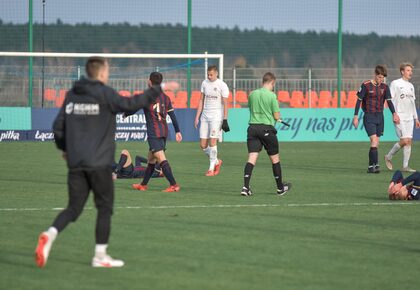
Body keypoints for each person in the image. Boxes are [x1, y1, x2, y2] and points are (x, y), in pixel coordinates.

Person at [35, 56, 159, 268]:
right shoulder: (105, 93)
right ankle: (100, 256)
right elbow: (130, 104)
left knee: (73, 208)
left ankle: (50, 234)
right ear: (101, 73)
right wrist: (155, 90)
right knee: (104, 208)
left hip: (76, 164)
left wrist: (65, 149)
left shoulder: (72, 95)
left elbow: (57, 128)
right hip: (100, 164)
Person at [240, 72, 291, 196]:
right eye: (274, 85)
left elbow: (252, 110)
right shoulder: (272, 96)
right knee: (275, 159)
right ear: (272, 82)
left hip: (252, 128)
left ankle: (245, 187)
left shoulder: (252, 94)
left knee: (252, 158)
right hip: (267, 129)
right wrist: (278, 118)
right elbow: (276, 115)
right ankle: (280, 188)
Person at [132, 72, 182, 192]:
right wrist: (177, 131)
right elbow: (173, 116)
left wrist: (126, 113)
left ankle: (174, 184)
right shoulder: (166, 97)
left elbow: (134, 107)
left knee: (160, 158)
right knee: (151, 159)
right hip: (164, 132)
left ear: (150, 82)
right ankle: (143, 185)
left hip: (154, 133)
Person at [352, 64, 400, 173]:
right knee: (374, 141)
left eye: (383, 77)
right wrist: (355, 116)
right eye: (379, 77)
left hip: (380, 117)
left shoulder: (385, 87)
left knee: (376, 142)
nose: (381, 79)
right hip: (369, 116)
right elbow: (358, 101)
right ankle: (375, 165)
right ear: (375, 75)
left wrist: (394, 114)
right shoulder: (366, 85)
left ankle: (371, 166)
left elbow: (389, 101)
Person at [194, 65, 230, 176]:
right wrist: (197, 116)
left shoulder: (222, 85)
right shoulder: (204, 83)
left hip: (216, 116)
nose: (209, 76)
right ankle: (217, 161)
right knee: (203, 145)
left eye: (211, 74)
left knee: (213, 142)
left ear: (216, 74)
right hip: (205, 116)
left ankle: (211, 169)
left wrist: (225, 119)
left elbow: (225, 103)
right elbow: (201, 100)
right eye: (208, 74)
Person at [385, 62, 420, 172]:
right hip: (399, 116)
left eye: (411, 70)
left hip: (410, 117)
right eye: (408, 70)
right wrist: (394, 114)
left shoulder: (411, 86)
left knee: (409, 141)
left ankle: (405, 166)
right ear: (402, 72)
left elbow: (412, 103)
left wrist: (416, 118)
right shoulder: (395, 83)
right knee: (404, 141)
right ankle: (388, 156)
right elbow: (389, 99)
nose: (410, 72)